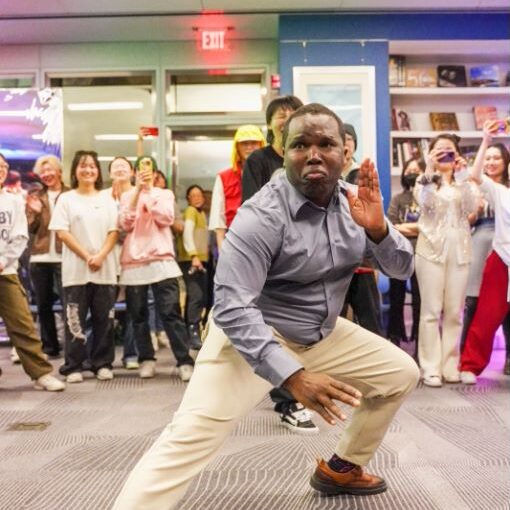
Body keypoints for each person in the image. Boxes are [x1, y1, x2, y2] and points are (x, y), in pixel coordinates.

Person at [112, 104, 419, 509]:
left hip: (319, 330)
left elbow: (401, 269)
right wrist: (292, 376)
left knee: (400, 373)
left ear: (345, 153)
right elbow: (232, 306)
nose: (313, 154)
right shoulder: (261, 214)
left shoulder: (355, 204)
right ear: (283, 152)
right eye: (300, 145)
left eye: (326, 144)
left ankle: (342, 468)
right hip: (253, 330)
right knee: (189, 436)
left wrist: (378, 230)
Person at [118, 156, 194, 381]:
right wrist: (137, 192)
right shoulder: (127, 195)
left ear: (154, 172)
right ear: (135, 173)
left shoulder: (164, 194)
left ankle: (184, 361)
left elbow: (166, 218)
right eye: (141, 168)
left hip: (162, 261)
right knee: (138, 315)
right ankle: (146, 359)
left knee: (170, 312)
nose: (145, 172)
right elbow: (125, 223)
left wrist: (149, 193)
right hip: (134, 263)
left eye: (149, 168)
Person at [414, 134, 479, 387]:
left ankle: (451, 364)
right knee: (430, 311)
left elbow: (471, 208)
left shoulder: (464, 182)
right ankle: (430, 367)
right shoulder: (423, 180)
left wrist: (462, 176)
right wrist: (430, 171)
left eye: (449, 150)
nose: (444, 154)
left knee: (455, 311)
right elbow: (426, 204)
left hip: (460, 250)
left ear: (457, 154)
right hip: (430, 250)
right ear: (430, 154)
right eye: (439, 150)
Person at [49, 150, 119, 383]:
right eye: (83, 165)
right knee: (74, 320)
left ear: (98, 171)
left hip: (105, 268)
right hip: (76, 270)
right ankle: (74, 366)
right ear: (75, 170)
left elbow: (114, 232)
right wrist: (88, 256)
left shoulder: (107, 198)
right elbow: (62, 232)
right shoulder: (66, 199)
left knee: (104, 320)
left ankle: (102, 363)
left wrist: (100, 256)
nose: (88, 170)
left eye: (92, 166)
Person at [0, 152, 65, 391]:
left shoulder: (13, 201)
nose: (1, 170)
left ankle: (41, 374)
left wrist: (3, 260)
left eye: (3, 166)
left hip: (6, 272)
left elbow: (20, 236)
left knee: (22, 324)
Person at [460, 121, 510, 384]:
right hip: (501, 259)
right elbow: (476, 175)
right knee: (486, 315)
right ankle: (470, 365)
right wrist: (486, 140)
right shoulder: (500, 192)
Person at [26, 155, 69, 358]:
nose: (47, 174)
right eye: (43, 172)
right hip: (40, 257)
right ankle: (50, 347)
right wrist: (34, 212)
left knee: (69, 304)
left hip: (65, 256)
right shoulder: (36, 196)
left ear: (59, 171)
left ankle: (73, 348)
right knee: (43, 305)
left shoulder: (70, 194)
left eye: (50, 170)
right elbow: (30, 228)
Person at [386, 157, 425, 349]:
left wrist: (406, 227)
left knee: (420, 299)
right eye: (409, 170)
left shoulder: (428, 199)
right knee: (396, 299)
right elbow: (391, 225)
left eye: (416, 170)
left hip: (423, 255)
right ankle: (395, 336)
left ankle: (419, 339)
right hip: (399, 253)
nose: (412, 173)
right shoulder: (397, 199)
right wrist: (418, 228)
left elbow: (430, 227)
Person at [209, 124, 265, 251]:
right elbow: (218, 218)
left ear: (261, 145)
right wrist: (222, 251)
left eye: (254, 143)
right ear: (237, 147)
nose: (249, 147)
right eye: (244, 143)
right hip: (234, 238)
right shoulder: (224, 177)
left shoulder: (270, 173)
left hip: (265, 236)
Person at [242, 95, 303, 202]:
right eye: (282, 116)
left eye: (294, 116)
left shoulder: (310, 157)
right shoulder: (256, 160)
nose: (288, 121)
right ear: (269, 124)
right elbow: (251, 203)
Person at [176, 184, 209, 349]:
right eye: (193, 195)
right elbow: (187, 233)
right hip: (191, 260)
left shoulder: (201, 214)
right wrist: (194, 255)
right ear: (188, 199)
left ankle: (189, 333)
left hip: (200, 260)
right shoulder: (190, 211)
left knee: (195, 296)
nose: (197, 198)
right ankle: (193, 332)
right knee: (196, 296)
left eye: (199, 195)